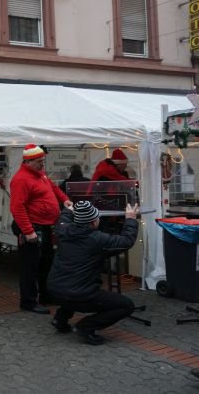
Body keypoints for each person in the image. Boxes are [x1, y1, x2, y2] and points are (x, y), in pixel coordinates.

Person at [47, 201, 139, 345]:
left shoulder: (63, 230)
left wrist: (68, 211)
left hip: (55, 289)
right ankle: (85, 327)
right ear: (93, 222)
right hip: (80, 294)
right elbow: (126, 241)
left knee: (73, 287)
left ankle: (60, 319)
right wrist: (131, 220)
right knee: (126, 305)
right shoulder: (97, 239)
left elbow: (63, 220)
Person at [10, 144, 73, 314]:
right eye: (38, 161)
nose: (42, 164)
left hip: (46, 226)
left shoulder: (40, 174)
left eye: (43, 160)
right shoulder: (21, 179)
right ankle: (28, 302)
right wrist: (28, 231)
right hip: (33, 227)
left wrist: (64, 199)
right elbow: (17, 207)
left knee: (47, 263)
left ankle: (46, 295)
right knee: (30, 267)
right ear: (28, 162)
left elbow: (52, 187)